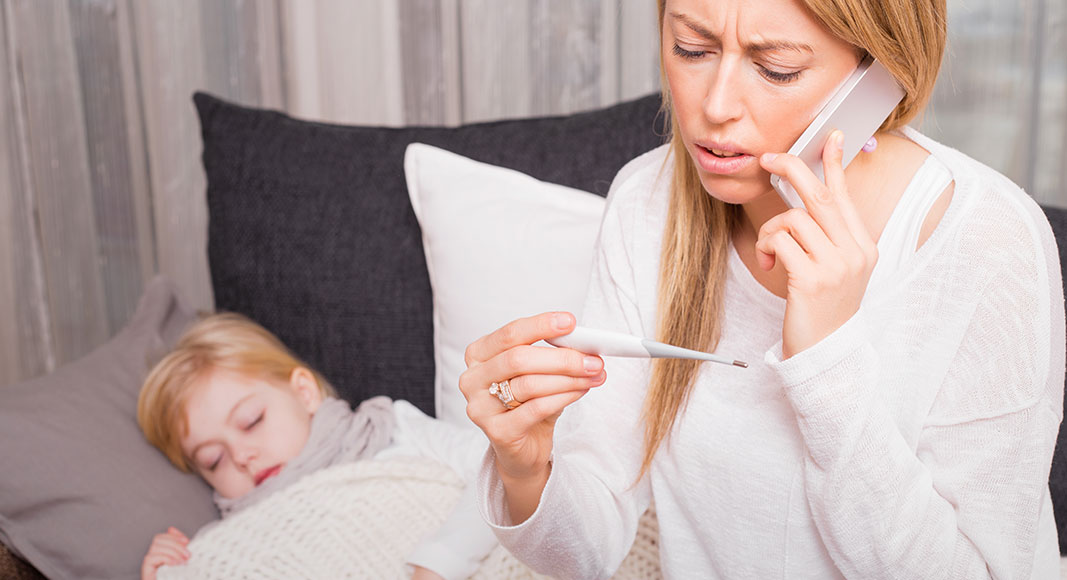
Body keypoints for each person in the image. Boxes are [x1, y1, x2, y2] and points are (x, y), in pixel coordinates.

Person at [459, 0, 1065, 578]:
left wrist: (828, 362)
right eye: (690, 49)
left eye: (776, 69)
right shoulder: (647, 203)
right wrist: (526, 467)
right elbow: (585, 551)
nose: (715, 106)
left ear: (877, 76)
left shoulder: (986, 241)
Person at [137, 313, 496, 580]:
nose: (242, 457)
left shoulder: (389, 429)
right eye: (214, 461)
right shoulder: (234, 543)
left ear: (304, 393)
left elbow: (500, 469)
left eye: (251, 421)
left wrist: (439, 562)